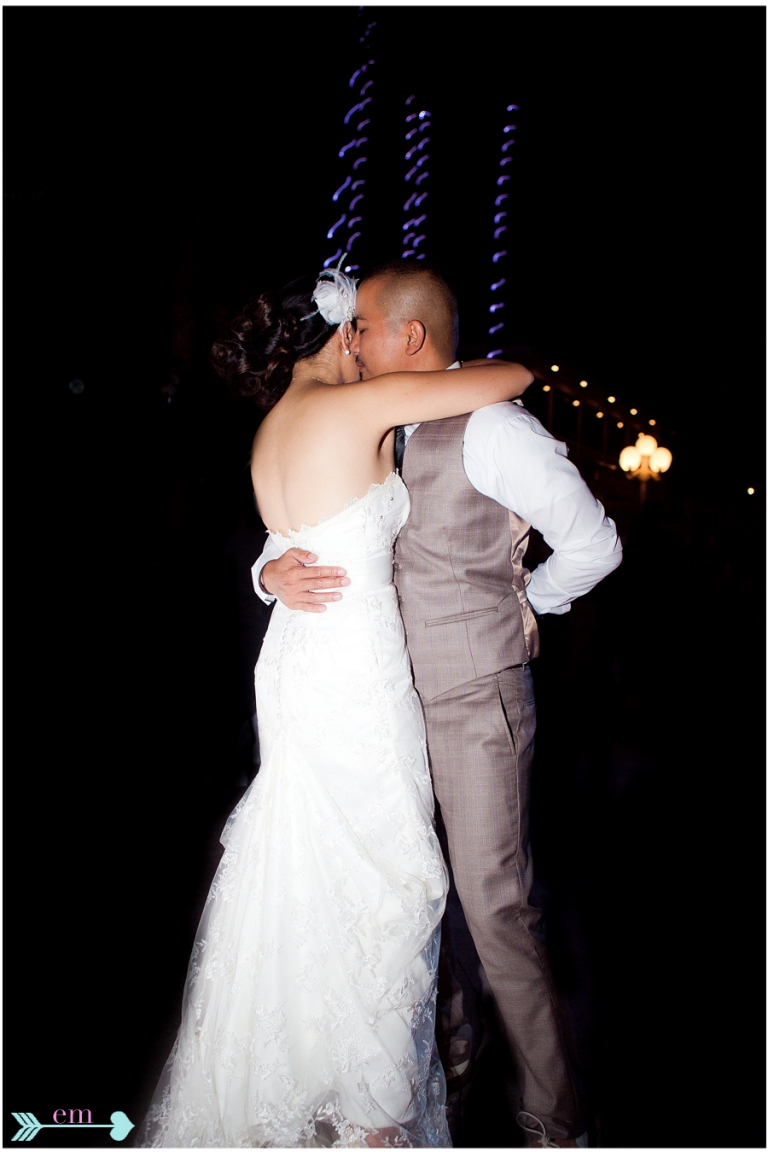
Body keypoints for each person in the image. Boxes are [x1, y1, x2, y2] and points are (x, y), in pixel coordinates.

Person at [136, 263, 533, 1149]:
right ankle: (371, 1119)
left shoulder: (270, 431)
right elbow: (514, 376)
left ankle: (327, 1087)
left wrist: (264, 573)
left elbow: (289, 543)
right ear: (343, 333)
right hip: (354, 674)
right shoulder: (359, 406)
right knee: (391, 875)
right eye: (361, 329)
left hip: (296, 667)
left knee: (310, 866)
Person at [254, 261, 623, 1148]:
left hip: (469, 698)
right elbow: (310, 522)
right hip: (376, 704)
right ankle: (444, 1054)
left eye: (364, 325)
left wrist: (525, 605)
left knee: (494, 907)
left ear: (409, 336)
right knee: (409, 892)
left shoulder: (493, 426)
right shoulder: (369, 416)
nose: (351, 339)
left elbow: (593, 544)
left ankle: (554, 1114)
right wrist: (269, 572)